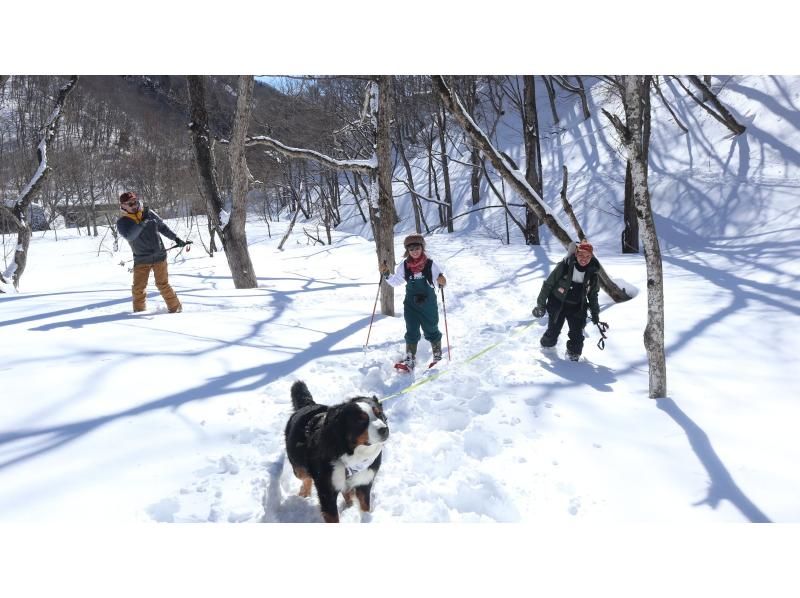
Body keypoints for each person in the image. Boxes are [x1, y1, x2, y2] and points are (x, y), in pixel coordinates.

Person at [380, 234, 447, 371]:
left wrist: (442, 282)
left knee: (431, 328)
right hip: (411, 304)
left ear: (422, 248)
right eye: (411, 249)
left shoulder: (431, 264)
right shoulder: (404, 266)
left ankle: (437, 355)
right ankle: (410, 358)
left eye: (417, 248)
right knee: (411, 330)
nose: (415, 251)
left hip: (428, 304)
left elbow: (440, 281)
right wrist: (386, 273)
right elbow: (396, 282)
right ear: (407, 251)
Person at [116, 191, 187, 313]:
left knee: (163, 284)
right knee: (138, 288)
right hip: (141, 259)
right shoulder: (122, 222)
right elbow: (130, 236)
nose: (134, 205)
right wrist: (142, 223)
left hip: (159, 256)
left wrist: (176, 238)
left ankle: (176, 310)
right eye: (130, 203)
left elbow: (163, 227)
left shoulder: (148, 213)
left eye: (135, 202)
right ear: (123, 206)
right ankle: (139, 313)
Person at [532, 240, 601, 361]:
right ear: (576, 254)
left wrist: (595, 313)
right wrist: (541, 305)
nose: (584, 259)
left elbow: (593, 295)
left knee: (577, 335)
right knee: (553, 331)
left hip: (577, 306)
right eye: (581, 255)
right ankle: (547, 349)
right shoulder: (564, 265)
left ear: (591, 257)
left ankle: (573, 357)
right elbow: (548, 285)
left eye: (587, 256)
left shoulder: (593, 273)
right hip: (557, 303)